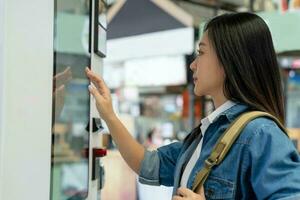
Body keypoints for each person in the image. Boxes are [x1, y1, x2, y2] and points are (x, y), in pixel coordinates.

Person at [85, 12, 300, 200]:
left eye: (202, 52)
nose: (193, 64)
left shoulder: (261, 134)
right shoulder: (206, 136)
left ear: (230, 60)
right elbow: (146, 164)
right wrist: (109, 115)